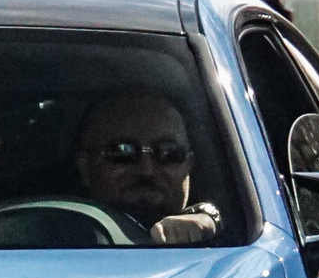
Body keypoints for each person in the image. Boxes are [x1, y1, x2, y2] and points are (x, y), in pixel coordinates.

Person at [74, 90, 219, 245]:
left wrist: (210, 222)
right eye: (122, 151)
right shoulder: (56, 242)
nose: (146, 170)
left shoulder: (239, 236)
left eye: (168, 152)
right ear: (85, 166)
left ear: (189, 166)